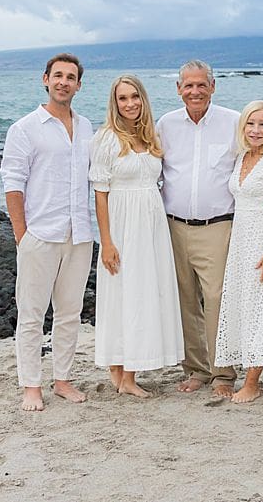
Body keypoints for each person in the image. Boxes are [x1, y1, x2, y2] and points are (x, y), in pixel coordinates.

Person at [0, 53, 94, 412]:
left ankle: (63, 379)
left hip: (79, 234)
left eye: (70, 77)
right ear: (45, 79)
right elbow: (13, 183)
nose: (63, 82)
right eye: (58, 76)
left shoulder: (86, 128)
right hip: (40, 234)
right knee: (32, 313)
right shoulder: (25, 128)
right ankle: (31, 386)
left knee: (70, 312)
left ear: (79, 85)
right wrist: (22, 234)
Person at [90, 74, 184, 397]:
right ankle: (125, 376)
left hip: (151, 228)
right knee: (121, 295)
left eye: (134, 97)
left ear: (143, 99)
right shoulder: (106, 139)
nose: (129, 103)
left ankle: (123, 374)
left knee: (142, 294)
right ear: (114, 103)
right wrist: (107, 242)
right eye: (122, 98)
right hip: (122, 226)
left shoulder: (151, 137)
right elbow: (100, 194)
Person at [157, 60, 240, 397]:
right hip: (173, 226)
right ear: (178, 89)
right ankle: (196, 370)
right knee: (185, 299)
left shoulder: (234, 123)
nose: (195, 92)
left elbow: (262, 149)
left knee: (219, 298)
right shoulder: (165, 125)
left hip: (218, 226)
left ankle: (224, 374)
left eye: (201, 85)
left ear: (213, 86)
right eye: (188, 86)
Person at [213, 100, 263, 403]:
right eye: (251, 123)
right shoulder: (243, 157)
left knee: (262, 306)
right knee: (244, 304)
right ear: (242, 126)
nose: (256, 130)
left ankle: (251, 382)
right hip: (240, 240)